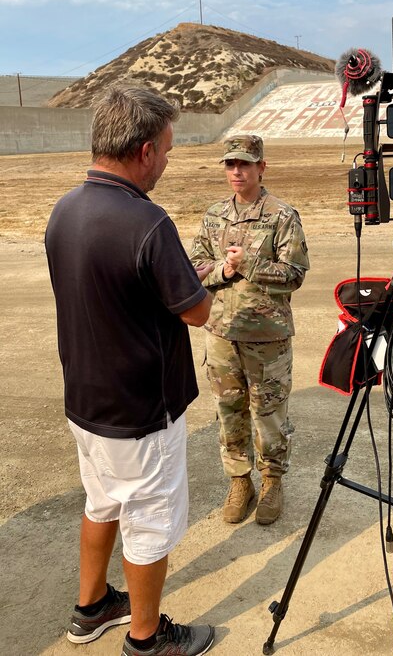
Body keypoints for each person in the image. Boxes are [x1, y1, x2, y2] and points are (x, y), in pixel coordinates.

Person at [45, 85, 216, 656]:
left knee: (101, 503)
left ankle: (90, 608)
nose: (166, 162)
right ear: (144, 150)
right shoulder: (147, 222)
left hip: (86, 401)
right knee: (148, 522)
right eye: (166, 150)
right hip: (141, 409)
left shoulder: (65, 208)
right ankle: (146, 639)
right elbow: (195, 311)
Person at [190, 134, 309, 526]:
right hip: (222, 334)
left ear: (261, 167)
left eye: (244, 163)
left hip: (267, 338)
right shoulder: (214, 215)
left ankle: (272, 480)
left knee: (270, 414)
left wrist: (249, 267)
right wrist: (221, 271)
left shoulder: (281, 215)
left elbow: (294, 275)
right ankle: (240, 481)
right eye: (230, 164)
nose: (237, 171)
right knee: (229, 413)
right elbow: (194, 268)